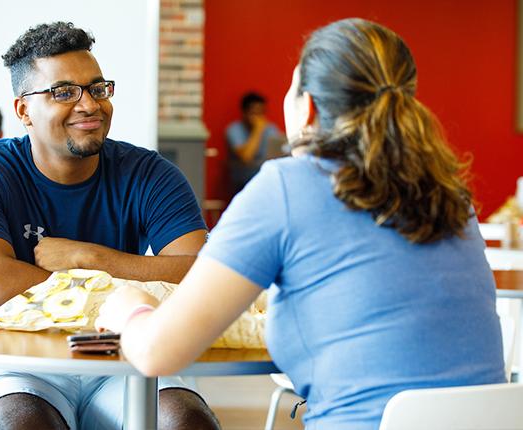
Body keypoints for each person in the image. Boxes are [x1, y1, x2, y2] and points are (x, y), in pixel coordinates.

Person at [95, 18, 506, 429]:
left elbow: (156, 353)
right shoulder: (449, 193)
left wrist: (130, 308)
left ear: (306, 106)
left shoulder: (287, 187)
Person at [0, 22, 219, 430]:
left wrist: (90, 258)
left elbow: (202, 275)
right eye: (64, 92)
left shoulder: (149, 173)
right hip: (9, 361)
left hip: (120, 356)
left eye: (97, 88)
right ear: (23, 111)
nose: (89, 104)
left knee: (185, 421)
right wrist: (130, 281)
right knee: (21, 423)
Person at [226, 92, 283, 195]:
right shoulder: (234, 129)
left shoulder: (270, 129)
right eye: (254, 113)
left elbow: (280, 154)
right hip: (243, 180)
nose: (258, 118)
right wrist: (258, 130)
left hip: (268, 177)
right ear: (244, 113)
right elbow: (246, 157)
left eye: (261, 113)